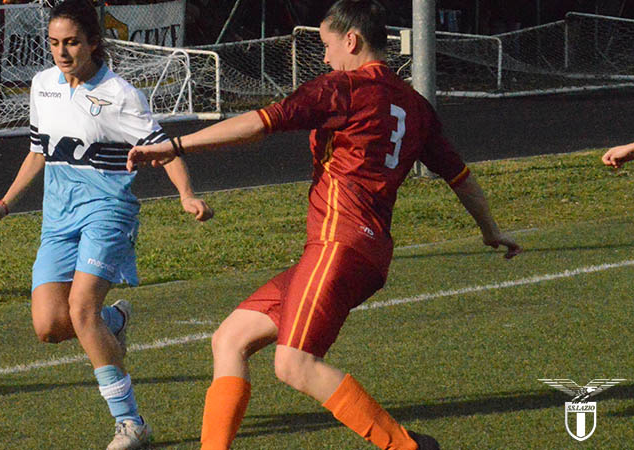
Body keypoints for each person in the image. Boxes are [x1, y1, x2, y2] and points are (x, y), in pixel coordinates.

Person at [127, 1, 521, 449]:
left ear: (351, 41)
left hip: (340, 244)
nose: (326, 57)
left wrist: (177, 145)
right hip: (359, 252)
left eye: (328, 46)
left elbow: (261, 123)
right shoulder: (414, 105)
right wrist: (490, 230)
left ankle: (406, 446)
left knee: (293, 362)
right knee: (230, 338)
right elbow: (460, 177)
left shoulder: (344, 88)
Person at [0, 1, 212, 449]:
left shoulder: (120, 93)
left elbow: (162, 148)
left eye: (72, 43)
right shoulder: (42, 85)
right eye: (55, 43)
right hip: (57, 217)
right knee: (50, 326)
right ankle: (112, 322)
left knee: (80, 311)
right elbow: (39, 151)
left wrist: (186, 195)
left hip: (108, 211)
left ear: (93, 43)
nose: (62, 52)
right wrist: (4, 203)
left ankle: (131, 423)